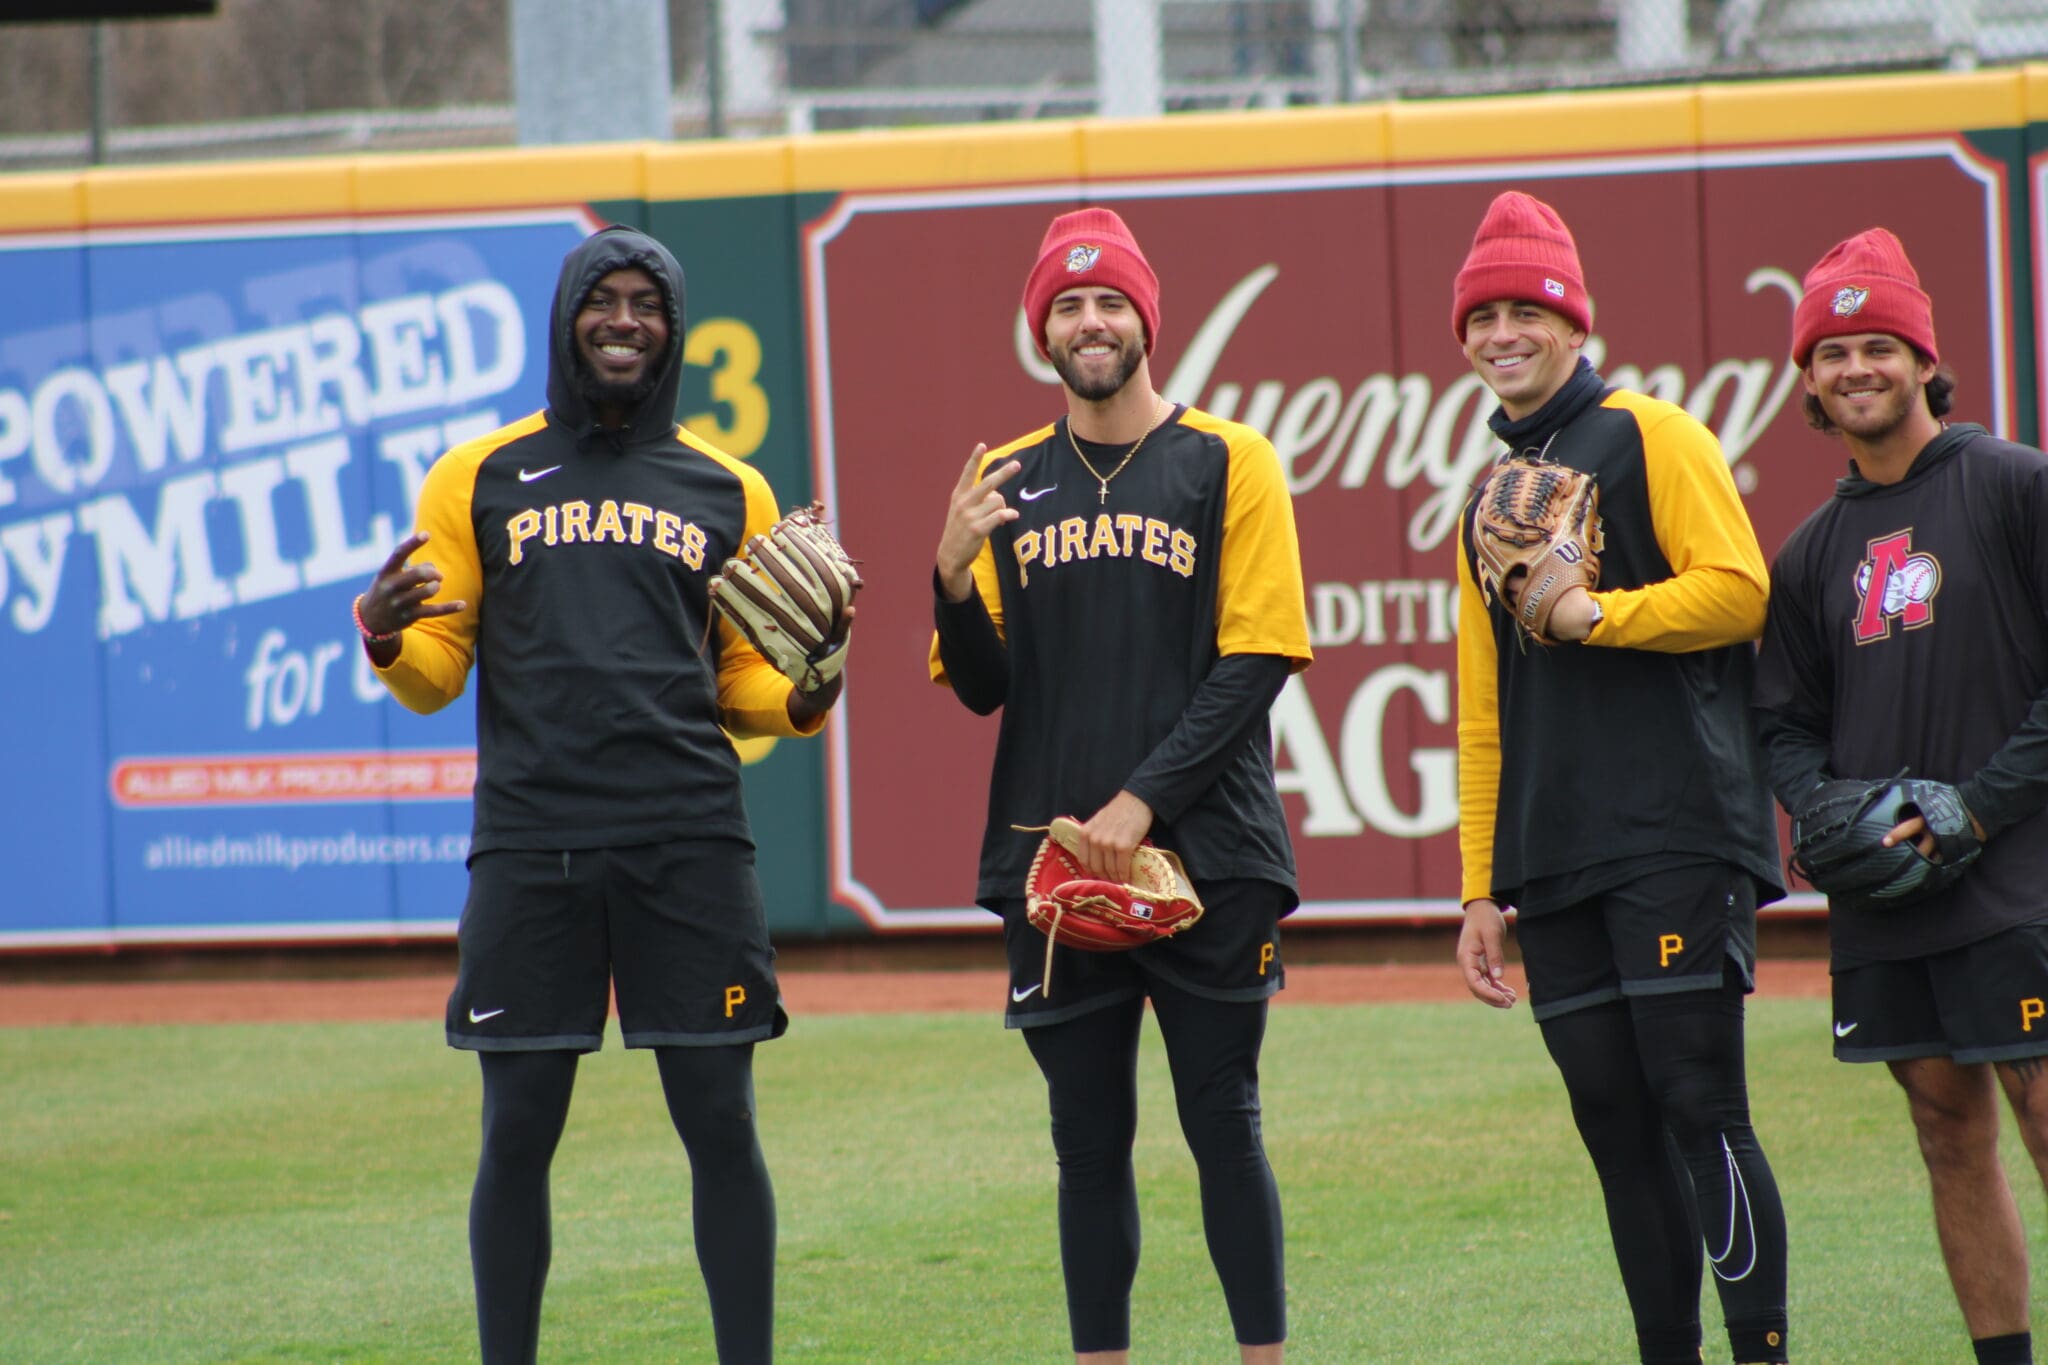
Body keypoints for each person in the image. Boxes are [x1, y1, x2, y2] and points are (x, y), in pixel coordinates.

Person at [354, 225, 841, 1365]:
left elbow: (745, 687)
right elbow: (435, 678)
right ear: (568, 316)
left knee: (720, 1124)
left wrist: (809, 691)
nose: (622, 321)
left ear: (671, 331)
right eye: (601, 300)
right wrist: (384, 638)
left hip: (686, 840)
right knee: (517, 1131)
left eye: (645, 305)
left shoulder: (730, 488)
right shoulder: (476, 476)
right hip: (533, 841)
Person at [929, 206, 1312, 1363]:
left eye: (1107, 303)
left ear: (1145, 319)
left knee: (1223, 1125)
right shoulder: (1004, 481)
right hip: (1051, 863)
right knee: (1084, 1145)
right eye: (1065, 305)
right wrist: (948, 576)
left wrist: (1140, 806)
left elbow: (1254, 660)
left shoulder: (1227, 460)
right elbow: (983, 685)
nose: (1088, 323)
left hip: (1211, 852)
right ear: (1039, 330)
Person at [1449, 191, 1792, 1365]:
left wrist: (1597, 613)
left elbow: (1739, 589)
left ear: (1572, 323)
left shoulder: (1653, 433)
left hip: (1672, 830)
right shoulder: (1488, 492)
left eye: (1525, 310)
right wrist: (1478, 888)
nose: (1502, 333)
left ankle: (1759, 1352)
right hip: (1553, 851)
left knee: (1698, 1107)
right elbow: (1483, 704)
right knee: (1611, 1127)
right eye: (1480, 315)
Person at [1754, 227, 2048, 1365]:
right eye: (1830, 351)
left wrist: (1975, 807)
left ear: (1926, 362)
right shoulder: (1810, 552)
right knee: (1942, 1127)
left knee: (2039, 1110)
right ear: (1807, 380)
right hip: (1889, 886)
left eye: (1879, 345)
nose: (1855, 369)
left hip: (2017, 868)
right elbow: (1778, 721)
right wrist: (1823, 813)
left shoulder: (2013, 486)